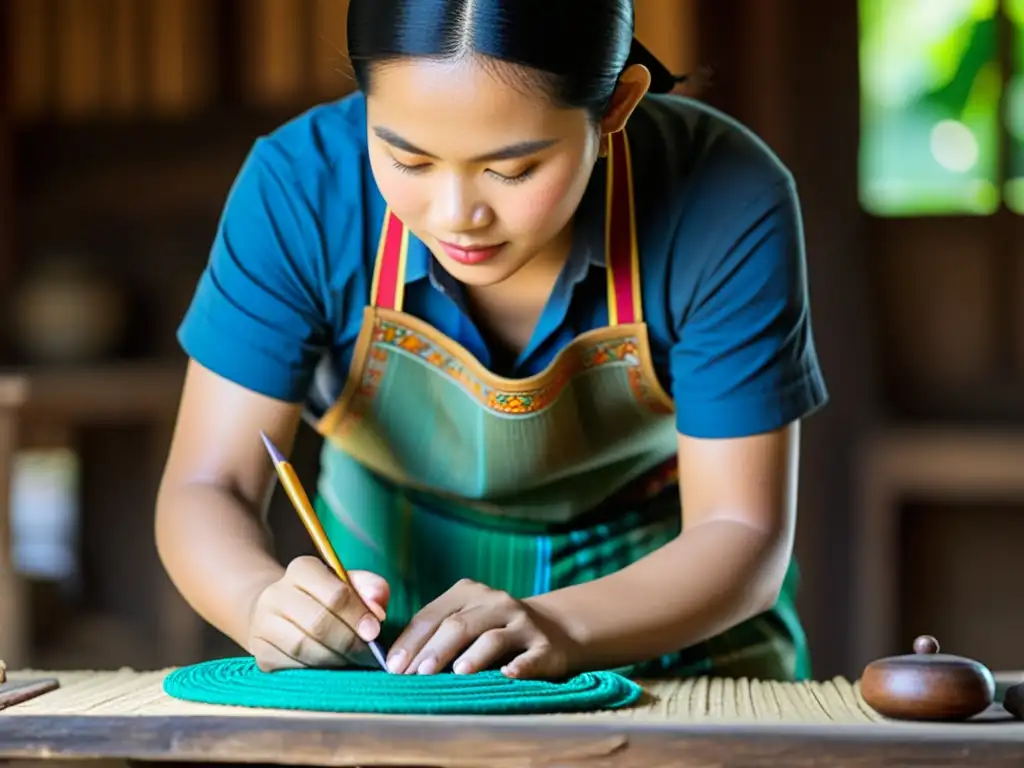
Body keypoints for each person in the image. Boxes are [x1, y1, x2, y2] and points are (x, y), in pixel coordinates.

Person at [155, 0, 828, 683]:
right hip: (388, 650)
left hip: (664, 633)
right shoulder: (301, 188)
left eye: (512, 171)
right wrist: (259, 604)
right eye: (406, 158)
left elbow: (740, 529)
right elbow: (210, 483)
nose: (457, 217)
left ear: (616, 104)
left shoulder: (726, 196)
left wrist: (562, 624)